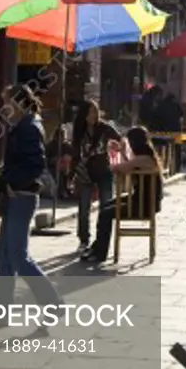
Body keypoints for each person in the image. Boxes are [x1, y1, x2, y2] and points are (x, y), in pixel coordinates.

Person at [0, 85, 60, 309]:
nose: (4, 108)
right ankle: (1, 310)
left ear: (19, 103)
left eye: (7, 103)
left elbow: (35, 164)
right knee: (4, 256)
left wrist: (12, 182)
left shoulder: (29, 127)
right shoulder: (20, 126)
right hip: (14, 195)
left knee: (19, 257)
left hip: (22, 196)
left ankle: (51, 301)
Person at [72, 100, 123, 262]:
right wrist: (73, 173)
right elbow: (75, 151)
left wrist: (117, 146)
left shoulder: (104, 127)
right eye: (91, 112)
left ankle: (101, 243)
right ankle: (84, 239)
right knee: (84, 207)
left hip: (103, 171)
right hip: (85, 171)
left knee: (105, 208)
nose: (94, 115)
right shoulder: (79, 129)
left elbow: (120, 139)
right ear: (84, 115)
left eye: (96, 111)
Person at [115, 126, 163, 218]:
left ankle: (102, 232)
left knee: (105, 213)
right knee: (107, 205)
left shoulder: (143, 158)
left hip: (144, 205)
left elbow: (119, 167)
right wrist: (123, 153)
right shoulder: (146, 155)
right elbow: (130, 166)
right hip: (143, 201)